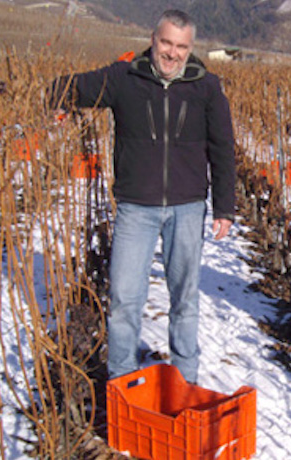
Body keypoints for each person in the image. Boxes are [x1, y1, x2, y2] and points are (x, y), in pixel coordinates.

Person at [50, 10, 236, 383]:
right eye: (166, 43)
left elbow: (222, 149)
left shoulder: (206, 87)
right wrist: (58, 100)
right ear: (153, 39)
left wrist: (224, 207)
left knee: (185, 301)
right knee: (124, 300)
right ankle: (122, 382)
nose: (172, 53)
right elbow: (68, 87)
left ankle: (185, 381)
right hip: (136, 207)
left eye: (181, 46)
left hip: (187, 207)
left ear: (190, 49)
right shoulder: (124, 77)